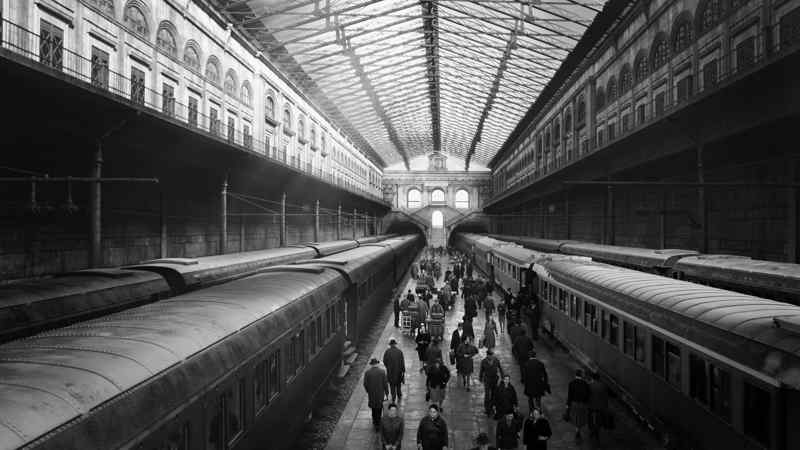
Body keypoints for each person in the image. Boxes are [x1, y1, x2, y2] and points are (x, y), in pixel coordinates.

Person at [364, 358, 389, 430]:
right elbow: (385, 384)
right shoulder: (382, 372)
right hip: (380, 393)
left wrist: (368, 390)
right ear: (377, 364)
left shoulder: (367, 373)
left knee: (373, 408)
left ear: (371, 365)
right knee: (379, 407)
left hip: (371, 393)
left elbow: (365, 384)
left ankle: (375, 421)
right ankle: (378, 421)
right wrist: (387, 392)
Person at [566, 369, 591, 440]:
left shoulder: (571, 383)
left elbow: (569, 395)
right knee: (581, 417)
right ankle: (578, 429)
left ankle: (577, 430)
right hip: (582, 404)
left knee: (575, 417)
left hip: (574, 403)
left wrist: (567, 404)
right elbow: (587, 394)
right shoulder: (585, 383)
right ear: (581, 375)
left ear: (575, 375)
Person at [479, 350, 504, 415]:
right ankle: (487, 408)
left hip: (494, 379)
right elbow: (481, 371)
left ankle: (492, 407)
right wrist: (480, 378)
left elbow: (500, 368)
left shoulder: (496, 360)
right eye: (490, 355)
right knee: (487, 395)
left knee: (494, 394)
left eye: (492, 355)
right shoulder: (483, 361)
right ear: (487, 355)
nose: (492, 356)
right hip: (487, 380)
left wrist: (503, 376)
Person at [588, 371, 610, 439]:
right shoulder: (603, 386)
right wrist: (606, 406)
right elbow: (606, 397)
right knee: (599, 419)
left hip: (591, 406)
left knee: (590, 418)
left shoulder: (589, 385)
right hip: (600, 406)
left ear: (592, 378)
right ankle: (597, 431)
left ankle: (592, 430)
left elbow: (587, 395)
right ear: (599, 378)